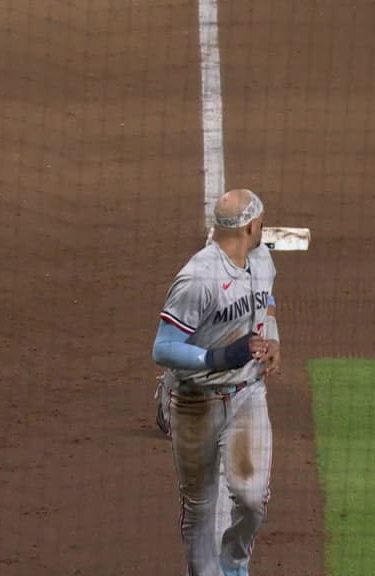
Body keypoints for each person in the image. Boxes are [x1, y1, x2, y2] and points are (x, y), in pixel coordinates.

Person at [151, 188, 280, 576]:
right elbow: (163, 347)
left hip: (247, 393)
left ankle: (234, 561)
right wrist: (217, 358)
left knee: (252, 498)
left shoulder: (261, 258)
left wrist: (273, 337)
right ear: (251, 225)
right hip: (196, 400)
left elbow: (267, 301)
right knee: (200, 505)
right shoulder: (198, 278)